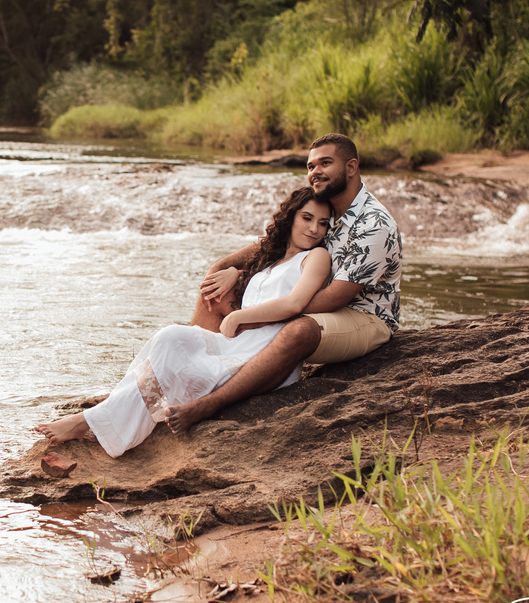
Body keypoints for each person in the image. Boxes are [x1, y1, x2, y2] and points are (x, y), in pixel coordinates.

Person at [35, 187, 333, 457]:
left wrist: (239, 316)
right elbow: (231, 270)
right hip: (236, 341)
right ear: (291, 217)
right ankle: (111, 415)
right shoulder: (272, 256)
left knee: (176, 363)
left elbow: (295, 303)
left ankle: (87, 421)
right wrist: (237, 273)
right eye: (307, 218)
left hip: (262, 352)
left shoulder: (316, 257)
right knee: (169, 338)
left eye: (322, 223)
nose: (313, 229)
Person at [162, 132, 401, 435]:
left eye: (325, 163)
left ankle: (210, 403)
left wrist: (257, 314)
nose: (316, 172)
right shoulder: (324, 207)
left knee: (296, 331)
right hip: (305, 299)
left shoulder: (373, 223)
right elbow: (276, 243)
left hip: (363, 317)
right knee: (217, 293)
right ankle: (192, 374)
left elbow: (336, 298)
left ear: (351, 167)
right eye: (311, 166)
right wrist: (230, 269)